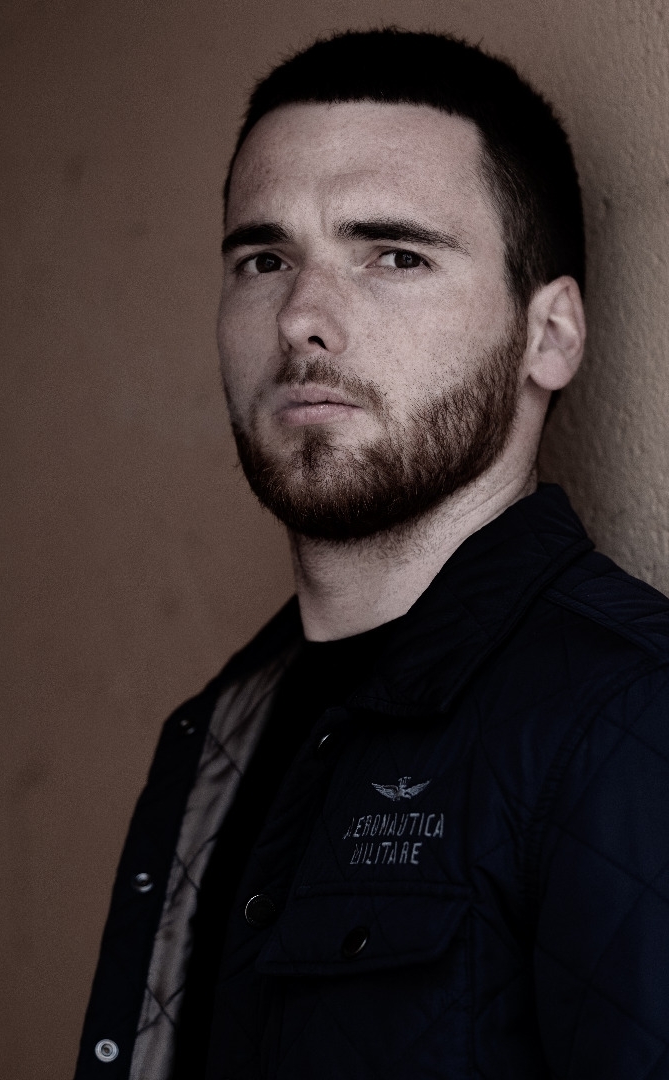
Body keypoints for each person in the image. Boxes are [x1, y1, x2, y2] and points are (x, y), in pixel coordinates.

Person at [75, 29, 669, 1080]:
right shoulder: (217, 733)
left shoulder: (634, 717)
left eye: (394, 255)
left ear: (550, 335)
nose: (302, 318)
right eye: (264, 260)